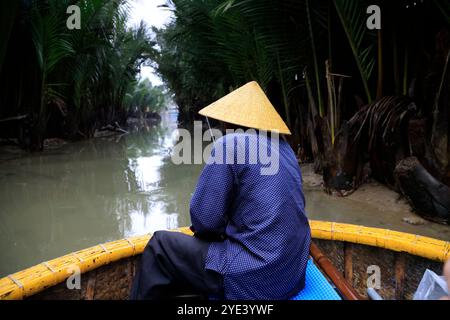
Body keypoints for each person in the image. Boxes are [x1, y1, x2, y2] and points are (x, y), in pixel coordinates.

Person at [130, 81, 311, 300]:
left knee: (160, 246)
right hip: (291, 275)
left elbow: (204, 221)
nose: (222, 126)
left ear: (232, 122)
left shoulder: (231, 144)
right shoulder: (286, 150)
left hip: (256, 277)